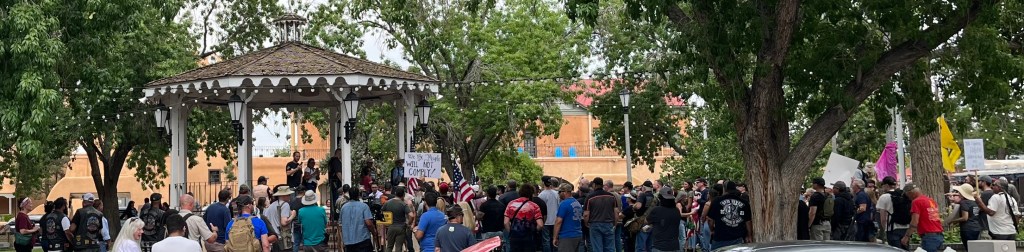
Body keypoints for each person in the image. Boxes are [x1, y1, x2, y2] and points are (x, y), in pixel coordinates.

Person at [707, 182, 752, 250]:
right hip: (738, 238)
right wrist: (749, 235)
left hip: (720, 238)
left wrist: (712, 230)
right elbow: (748, 221)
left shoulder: (716, 201)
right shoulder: (744, 202)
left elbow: (710, 219)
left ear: (724, 189)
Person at [901, 184, 943, 252]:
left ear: (910, 193)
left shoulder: (916, 202)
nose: (908, 197)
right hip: (938, 234)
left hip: (929, 236)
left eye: (907, 195)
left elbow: (914, 222)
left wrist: (906, 236)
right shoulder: (930, 200)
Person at [504, 184, 544, 252]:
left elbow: (506, 222)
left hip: (515, 237)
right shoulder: (534, 206)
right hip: (529, 238)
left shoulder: (511, 204)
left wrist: (510, 231)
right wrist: (534, 231)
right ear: (531, 193)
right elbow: (540, 225)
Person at [876, 176, 909, 249]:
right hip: (906, 228)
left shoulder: (884, 197)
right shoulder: (903, 195)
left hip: (892, 228)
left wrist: (884, 229)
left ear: (886, 185)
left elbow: (883, 217)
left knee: (894, 249)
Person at [945, 184, 981, 248]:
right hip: (976, 227)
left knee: (969, 248)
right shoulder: (973, 202)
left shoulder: (964, 203)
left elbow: (965, 217)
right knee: (974, 248)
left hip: (967, 229)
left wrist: (952, 221)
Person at [645, 186, 681, 252]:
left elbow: (646, 221)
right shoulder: (676, 210)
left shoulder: (657, 210)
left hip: (659, 246)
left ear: (660, 198)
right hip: (674, 246)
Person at [340, 187, 375, 251]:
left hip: (348, 241)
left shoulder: (343, 208)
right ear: (358, 195)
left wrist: (342, 241)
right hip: (362, 240)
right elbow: (368, 223)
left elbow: (340, 224)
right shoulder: (364, 206)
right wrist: (374, 232)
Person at [552, 183, 582, 252]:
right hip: (577, 234)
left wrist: (554, 237)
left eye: (559, 192)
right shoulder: (577, 202)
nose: (558, 194)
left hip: (567, 236)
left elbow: (558, 222)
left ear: (565, 192)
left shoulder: (564, 204)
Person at [383, 185, 414, 252]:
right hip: (401, 227)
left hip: (390, 227)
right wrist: (408, 224)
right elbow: (411, 215)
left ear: (395, 193)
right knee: (398, 247)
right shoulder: (403, 204)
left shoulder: (388, 203)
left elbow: (381, 212)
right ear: (403, 194)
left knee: (389, 247)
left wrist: (386, 222)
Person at [265, 186, 295, 252]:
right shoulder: (285, 205)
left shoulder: (272, 205)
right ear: (284, 195)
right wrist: (293, 215)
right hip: (283, 239)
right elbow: (284, 222)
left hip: (273, 238)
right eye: (288, 195)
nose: (290, 196)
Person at [538, 177, 560, 252]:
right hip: (555, 220)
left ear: (543, 183)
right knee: (555, 239)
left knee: (546, 241)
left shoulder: (541, 195)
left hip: (546, 221)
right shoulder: (556, 194)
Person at [328, 149, 343, 220]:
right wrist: (343, 181)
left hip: (333, 182)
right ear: (339, 153)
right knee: (337, 200)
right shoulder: (336, 161)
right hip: (336, 183)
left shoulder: (331, 161)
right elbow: (338, 173)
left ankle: (333, 216)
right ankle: (336, 216)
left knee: (334, 199)